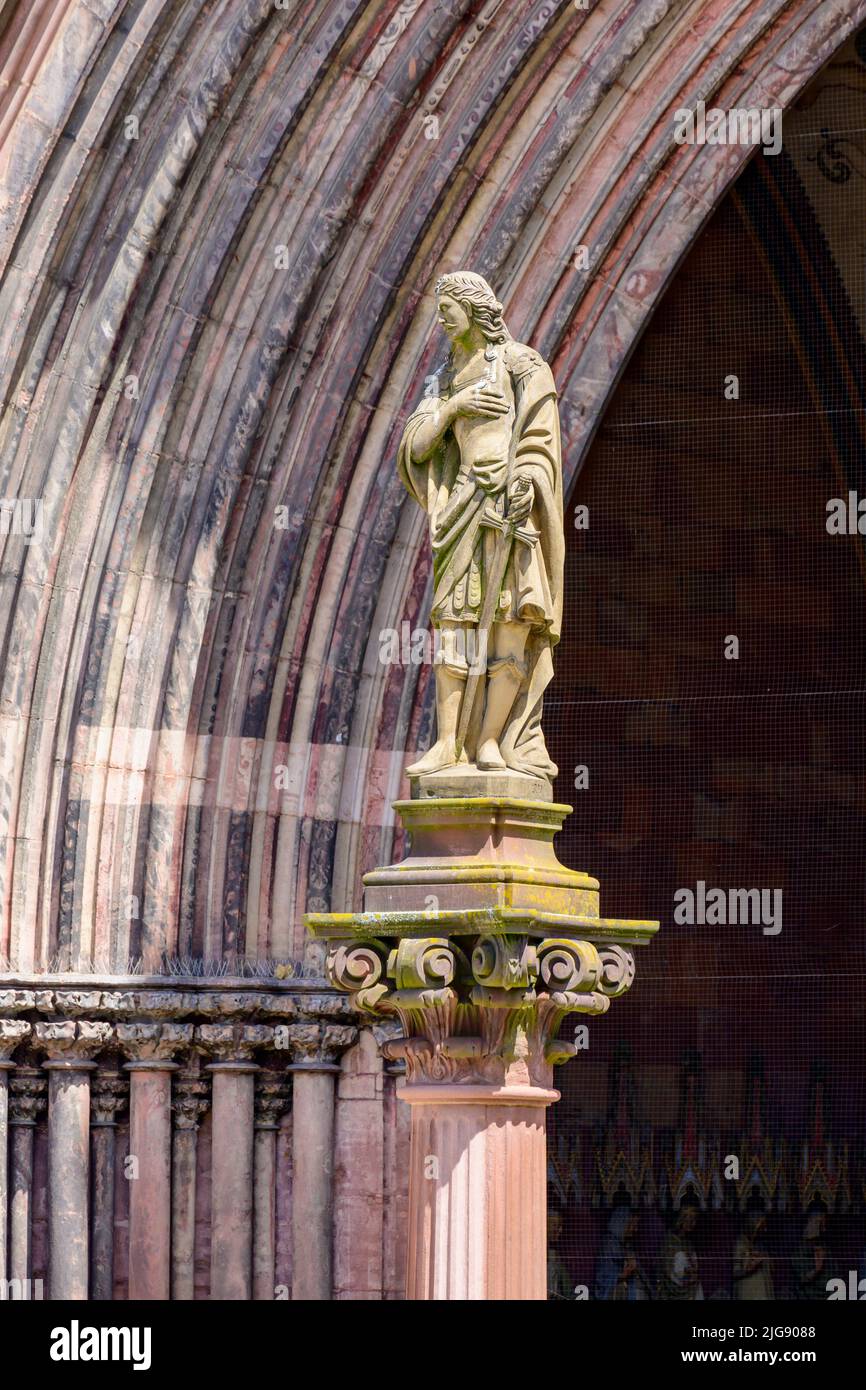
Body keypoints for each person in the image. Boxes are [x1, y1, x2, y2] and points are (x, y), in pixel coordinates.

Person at [397, 270, 564, 782]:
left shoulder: (520, 365)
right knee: (455, 625)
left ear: (474, 309)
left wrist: (525, 478)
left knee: (511, 623)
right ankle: (450, 742)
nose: (443, 318)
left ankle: (491, 738)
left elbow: (541, 438)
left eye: (449, 307)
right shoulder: (444, 379)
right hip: (464, 508)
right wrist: (454, 407)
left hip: (509, 512)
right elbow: (417, 446)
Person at [595, 1206, 649, 1300]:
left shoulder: (626, 1245)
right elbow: (603, 1276)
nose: (635, 1229)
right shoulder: (609, 1245)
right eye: (633, 1225)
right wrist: (627, 1271)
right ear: (623, 1223)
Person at [657, 1202, 703, 1300]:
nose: (693, 1224)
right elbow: (667, 1268)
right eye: (690, 1220)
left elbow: (695, 1267)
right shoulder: (669, 1240)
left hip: (691, 1290)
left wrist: (693, 1272)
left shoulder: (688, 1243)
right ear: (681, 1218)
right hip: (671, 1290)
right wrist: (686, 1272)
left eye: (694, 1220)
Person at [733, 1210, 774, 1299]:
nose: (765, 1229)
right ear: (752, 1224)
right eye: (762, 1225)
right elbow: (735, 1271)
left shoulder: (761, 1245)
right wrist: (749, 1266)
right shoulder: (740, 1244)